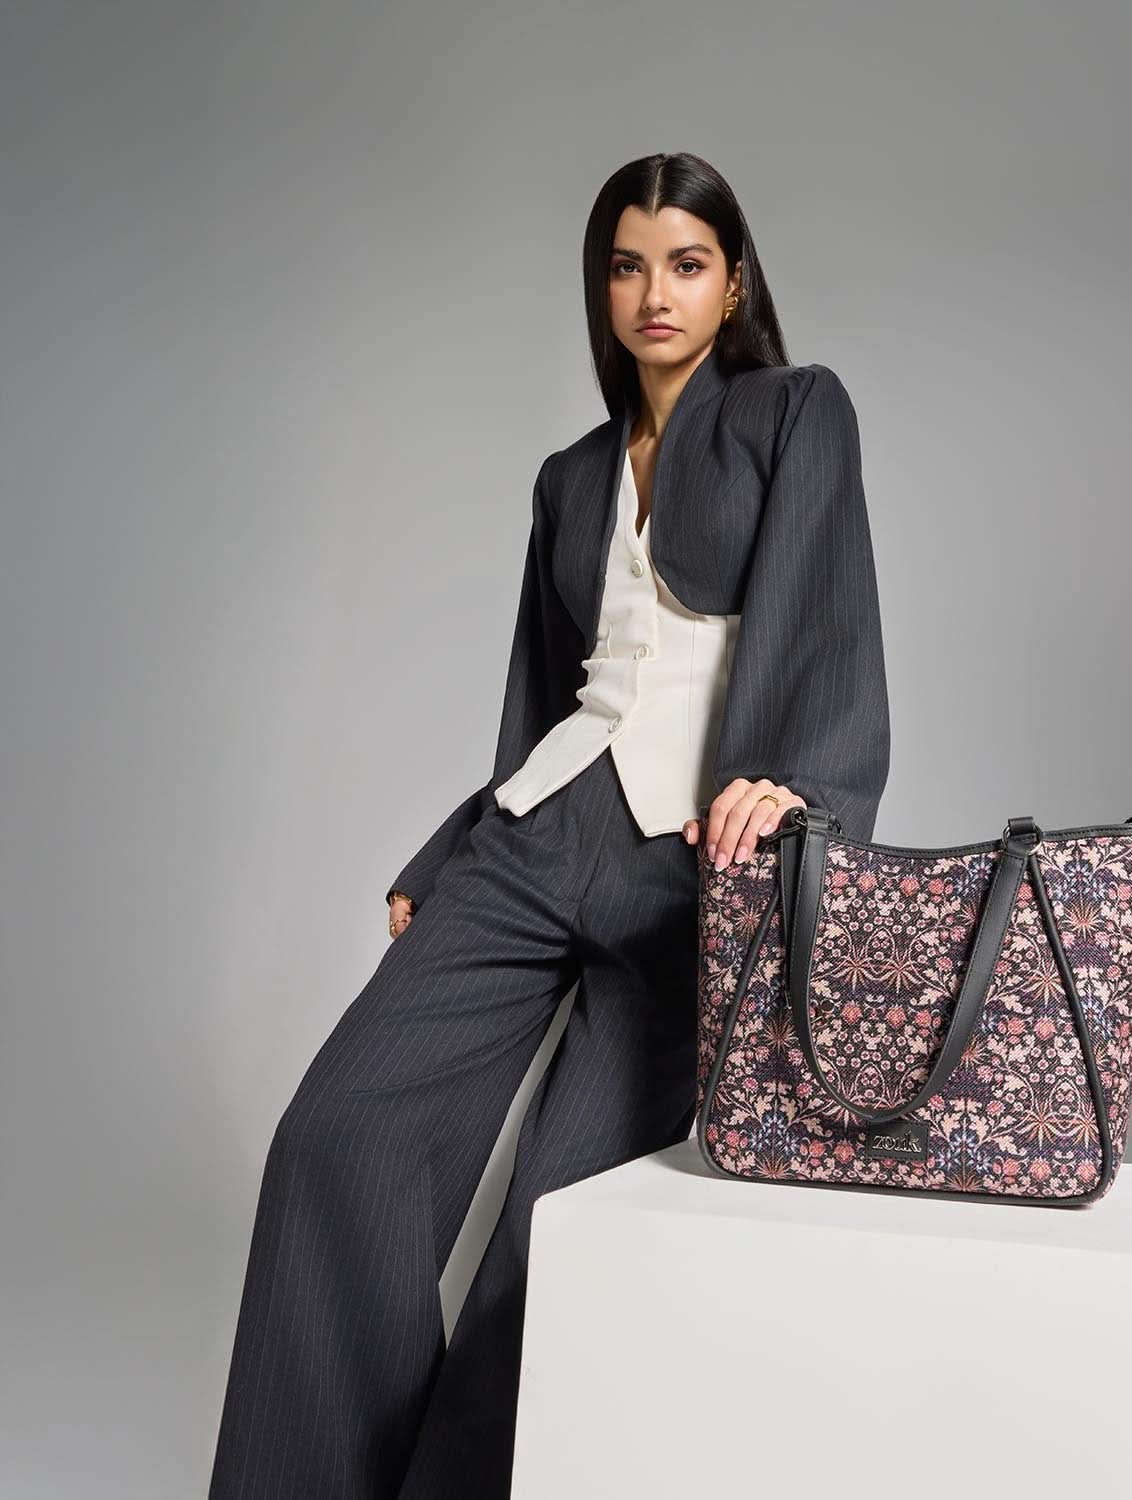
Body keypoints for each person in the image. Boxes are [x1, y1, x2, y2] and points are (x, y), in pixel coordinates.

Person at [207, 150, 891, 1500]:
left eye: (687, 264)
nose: (655, 293)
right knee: (337, 1139)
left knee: (552, 1235)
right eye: (628, 266)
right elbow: (542, 695)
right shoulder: (570, 477)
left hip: (696, 865)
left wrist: (798, 790)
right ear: (602, 287)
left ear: (733, 283)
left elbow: (829, 613)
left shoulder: (792, 412)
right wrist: (451, 848)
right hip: (534, 840)